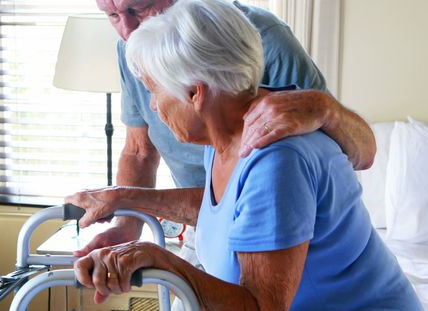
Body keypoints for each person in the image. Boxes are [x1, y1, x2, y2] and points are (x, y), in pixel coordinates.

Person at [73, 0, 428, 311]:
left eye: (154, 91)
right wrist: (123, 201)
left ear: (196, 94)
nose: (151, 106)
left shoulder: (275, 156)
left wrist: (158, 259)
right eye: (112, 14)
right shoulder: (225, 134)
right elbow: (225, 210)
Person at [76, 0, 375, 260]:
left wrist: (325, 108)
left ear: (197, 92)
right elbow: (139, 151)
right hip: (203, 220)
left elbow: (359, 155)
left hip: (287, 228)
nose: (127, 29)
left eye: (137, 8)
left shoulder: (259, 37)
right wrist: (127, 225)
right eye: (112, 16)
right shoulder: (133, 48)